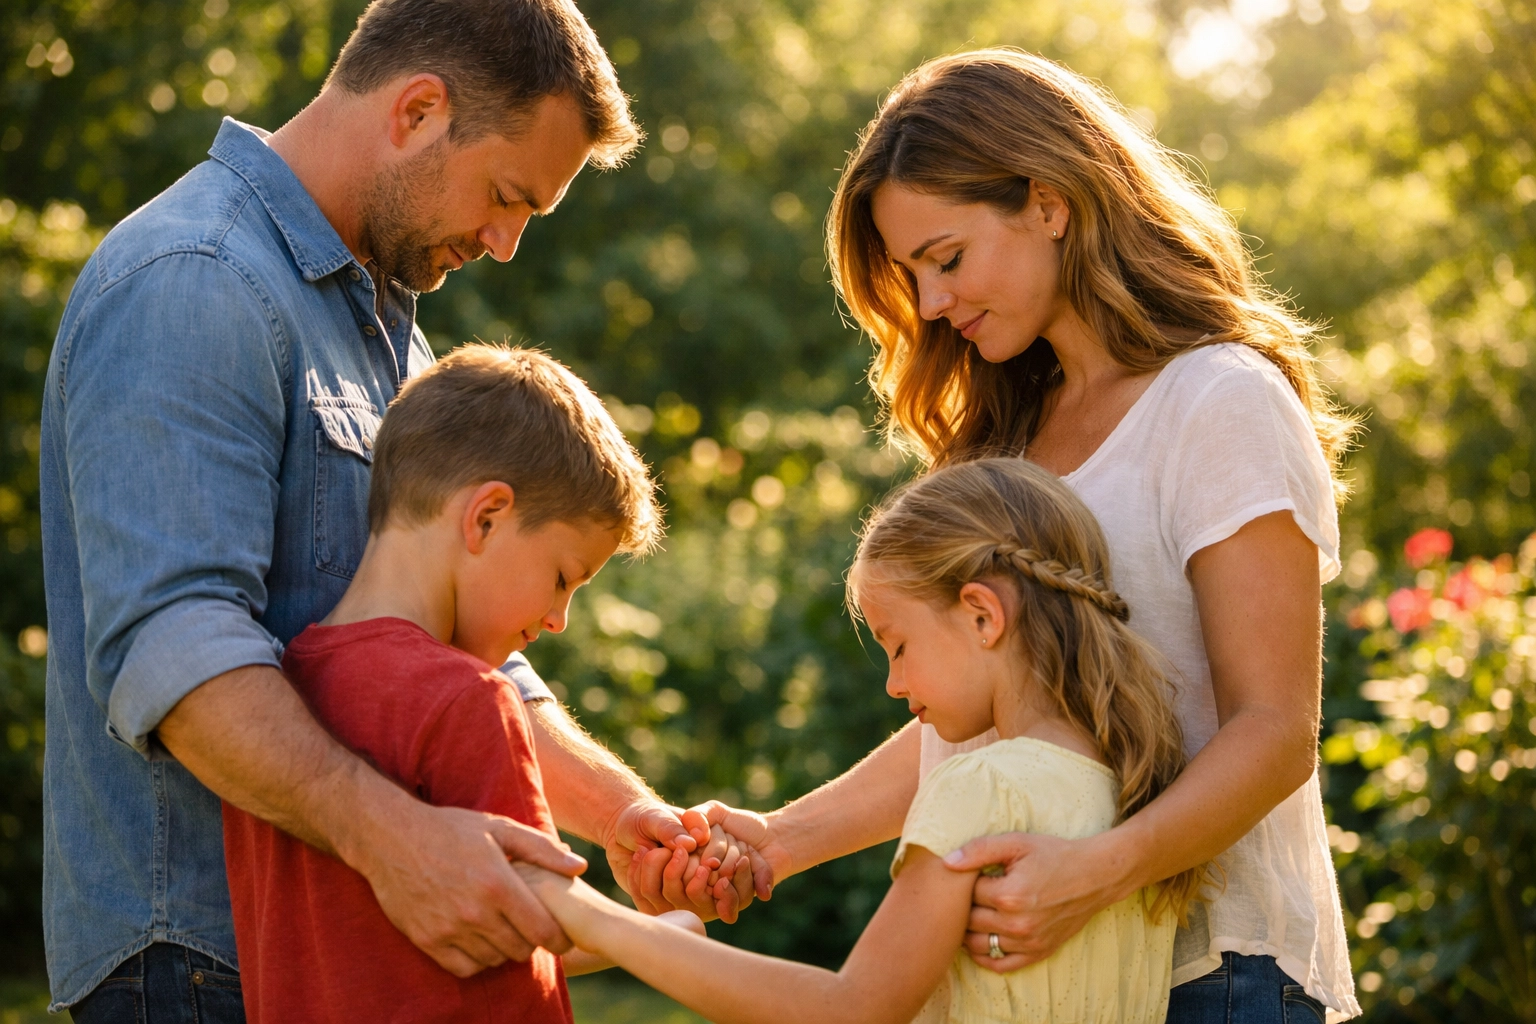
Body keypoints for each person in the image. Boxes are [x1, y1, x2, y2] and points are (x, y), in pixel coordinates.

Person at [39, 0, 745, 1018]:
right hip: (202, 956)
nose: (505, 245)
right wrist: (396, 837)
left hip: (340, 958)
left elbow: (447, 649)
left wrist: (620, 814)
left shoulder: (382, 334)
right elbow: (174, 647)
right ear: (417, 110)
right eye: (507, 197)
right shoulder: (196, 280)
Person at [666, 48, 1360, 1021]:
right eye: (913, 276)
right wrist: (778, 839)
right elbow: (982, 722)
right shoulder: (1000, 446)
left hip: (1218, 973)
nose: (934, 304)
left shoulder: (1218, 401)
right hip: (1054, 982)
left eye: (946, 258)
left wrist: (1098, 870)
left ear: (1049, 201)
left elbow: (1275, 732)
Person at [520, 457, 1203, 1024]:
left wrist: (592, 919)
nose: (895, 686)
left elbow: (851, 1009)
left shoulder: (980, 788)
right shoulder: (1135, 787)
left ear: (982, 614)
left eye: (899, 646)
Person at [223, 345, 707, 1023]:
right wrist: (672, 927)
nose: (558, 618)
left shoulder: (271, 710)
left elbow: (447, 942)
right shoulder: (470, 700)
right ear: (485, 517)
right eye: (563, 578)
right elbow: (535, 919)